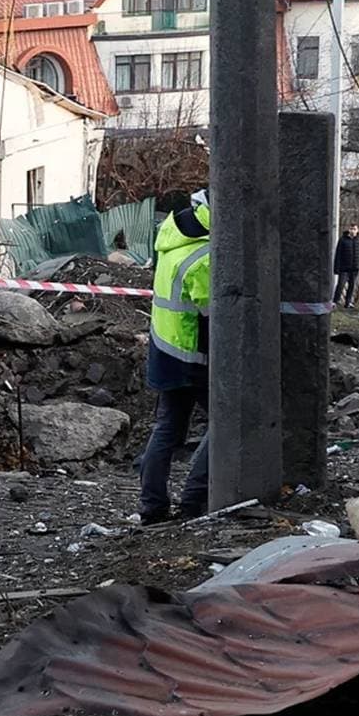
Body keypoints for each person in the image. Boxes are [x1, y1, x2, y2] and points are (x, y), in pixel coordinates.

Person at [137, 190, 212, 524]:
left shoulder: (173, 235)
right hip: (191, 354)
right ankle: (194, 500)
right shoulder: (205, 255)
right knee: (227, 423)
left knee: (168, 428)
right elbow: (213, 309)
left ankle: (152, 506)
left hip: (164, 348)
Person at [332, 223, 359, 309]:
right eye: (351, 229)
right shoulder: (343, 240)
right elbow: (338, 255)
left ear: (357, 230)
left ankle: (348, 302)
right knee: (340, 285)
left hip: (355, 268)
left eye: (354, 229)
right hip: (344, 268)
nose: (352, 231)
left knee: (352, 286)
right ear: (349, 230)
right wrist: (336, 268)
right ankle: (335, 301)